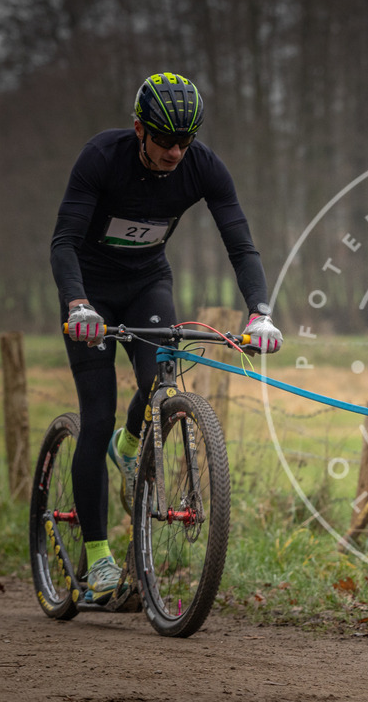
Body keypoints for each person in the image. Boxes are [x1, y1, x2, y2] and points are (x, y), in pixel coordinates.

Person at [51, 72, 282, 603]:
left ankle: (131, 446)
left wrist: (260, 312)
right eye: (166, 140)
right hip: (90, 290)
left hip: (147, 282)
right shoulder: (101, 157)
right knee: (98, 412)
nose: (177, 151)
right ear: (139, 129)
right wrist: (77, 303)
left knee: (159, 379)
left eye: (186, 141)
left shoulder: (203, 166)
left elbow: (241, 244)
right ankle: (100, 557)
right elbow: (63, 241)